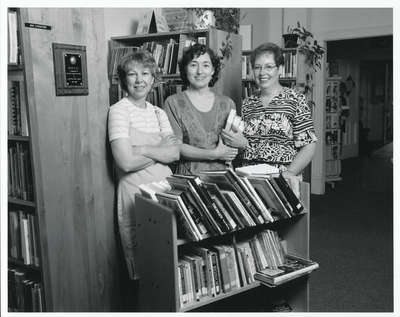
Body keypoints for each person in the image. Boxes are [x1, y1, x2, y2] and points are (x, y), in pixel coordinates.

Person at [108, 50, 180, 280]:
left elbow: (175, 153)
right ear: (123, 79)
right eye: (132, 74)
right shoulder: (118, 111)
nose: (139, 80)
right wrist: (160, 149)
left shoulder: (159, 113)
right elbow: (126, 162)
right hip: (136, 195)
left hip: (166, 192)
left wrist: (144, 148)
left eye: (145, 73)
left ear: (153, 79)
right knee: (146, 269)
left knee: (172, 263)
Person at [164, 43, 247, 175]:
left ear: (213, 70)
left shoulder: (227, 104)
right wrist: (214, 154)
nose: (199, 71)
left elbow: (232, 146)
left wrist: (240, 144)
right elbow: (175, 147)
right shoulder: (173, 103)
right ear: (185, 69)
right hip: (188, 180)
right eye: (193, 65)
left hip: (223, 178)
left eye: (206, 65)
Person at [240, 42, 317, 177]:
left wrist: (289, 173)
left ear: (280, 69)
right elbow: (245, 145)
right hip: (250, 179)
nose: (262, 72)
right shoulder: (247, 104)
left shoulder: (295, 100)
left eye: (269, 67)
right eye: (257, 67)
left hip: (283, 180)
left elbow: (309, 145)